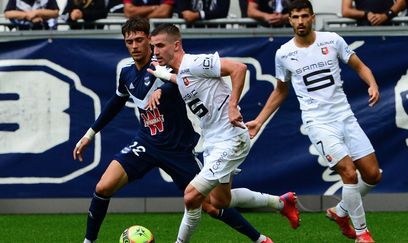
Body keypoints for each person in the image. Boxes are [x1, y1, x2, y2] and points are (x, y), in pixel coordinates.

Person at [74, 16, 277, 243]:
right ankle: (88, 241)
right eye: (129, 42)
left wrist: (165, 90)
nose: (134, 46)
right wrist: (90, 134)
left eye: (140, 40)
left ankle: (259, 238)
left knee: (211, 205)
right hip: (147, 142)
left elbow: (186, 79)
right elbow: (116, 102)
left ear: (148, 40)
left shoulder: (166, 64)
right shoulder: (127, 73)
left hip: (178, 148)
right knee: (103, 186)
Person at [146, 23, 300, 243]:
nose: (156, 51)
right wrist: (166, 78)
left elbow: (239, 68)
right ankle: (281, 203)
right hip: (214, 142)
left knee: (191, 197)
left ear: (176, 45)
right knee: (220, 201)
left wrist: (233, 105)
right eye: (154, 47)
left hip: (231, 139)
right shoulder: (182, 73)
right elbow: (185, 80)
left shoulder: (195, 62)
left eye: (160, 45)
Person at [246, 0, 381, 242]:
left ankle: (340, 212)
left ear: (312, 17)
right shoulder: (284, 53)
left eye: (304, 16)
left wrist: (371, 83)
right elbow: (280, 90)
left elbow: (360, 66)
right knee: (349, 173)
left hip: (345, 117)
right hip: (318, 123)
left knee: (372, 175)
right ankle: (363, 233)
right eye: (295, 17)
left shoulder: (332, 40)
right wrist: (258, 120)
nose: (300, 21)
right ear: (289, 19)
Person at [341, 0, 406, 26]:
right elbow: (346, 11)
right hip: (365, 31)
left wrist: (386, 15)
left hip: (390, 30)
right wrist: (366, 14)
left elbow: (401, 3)